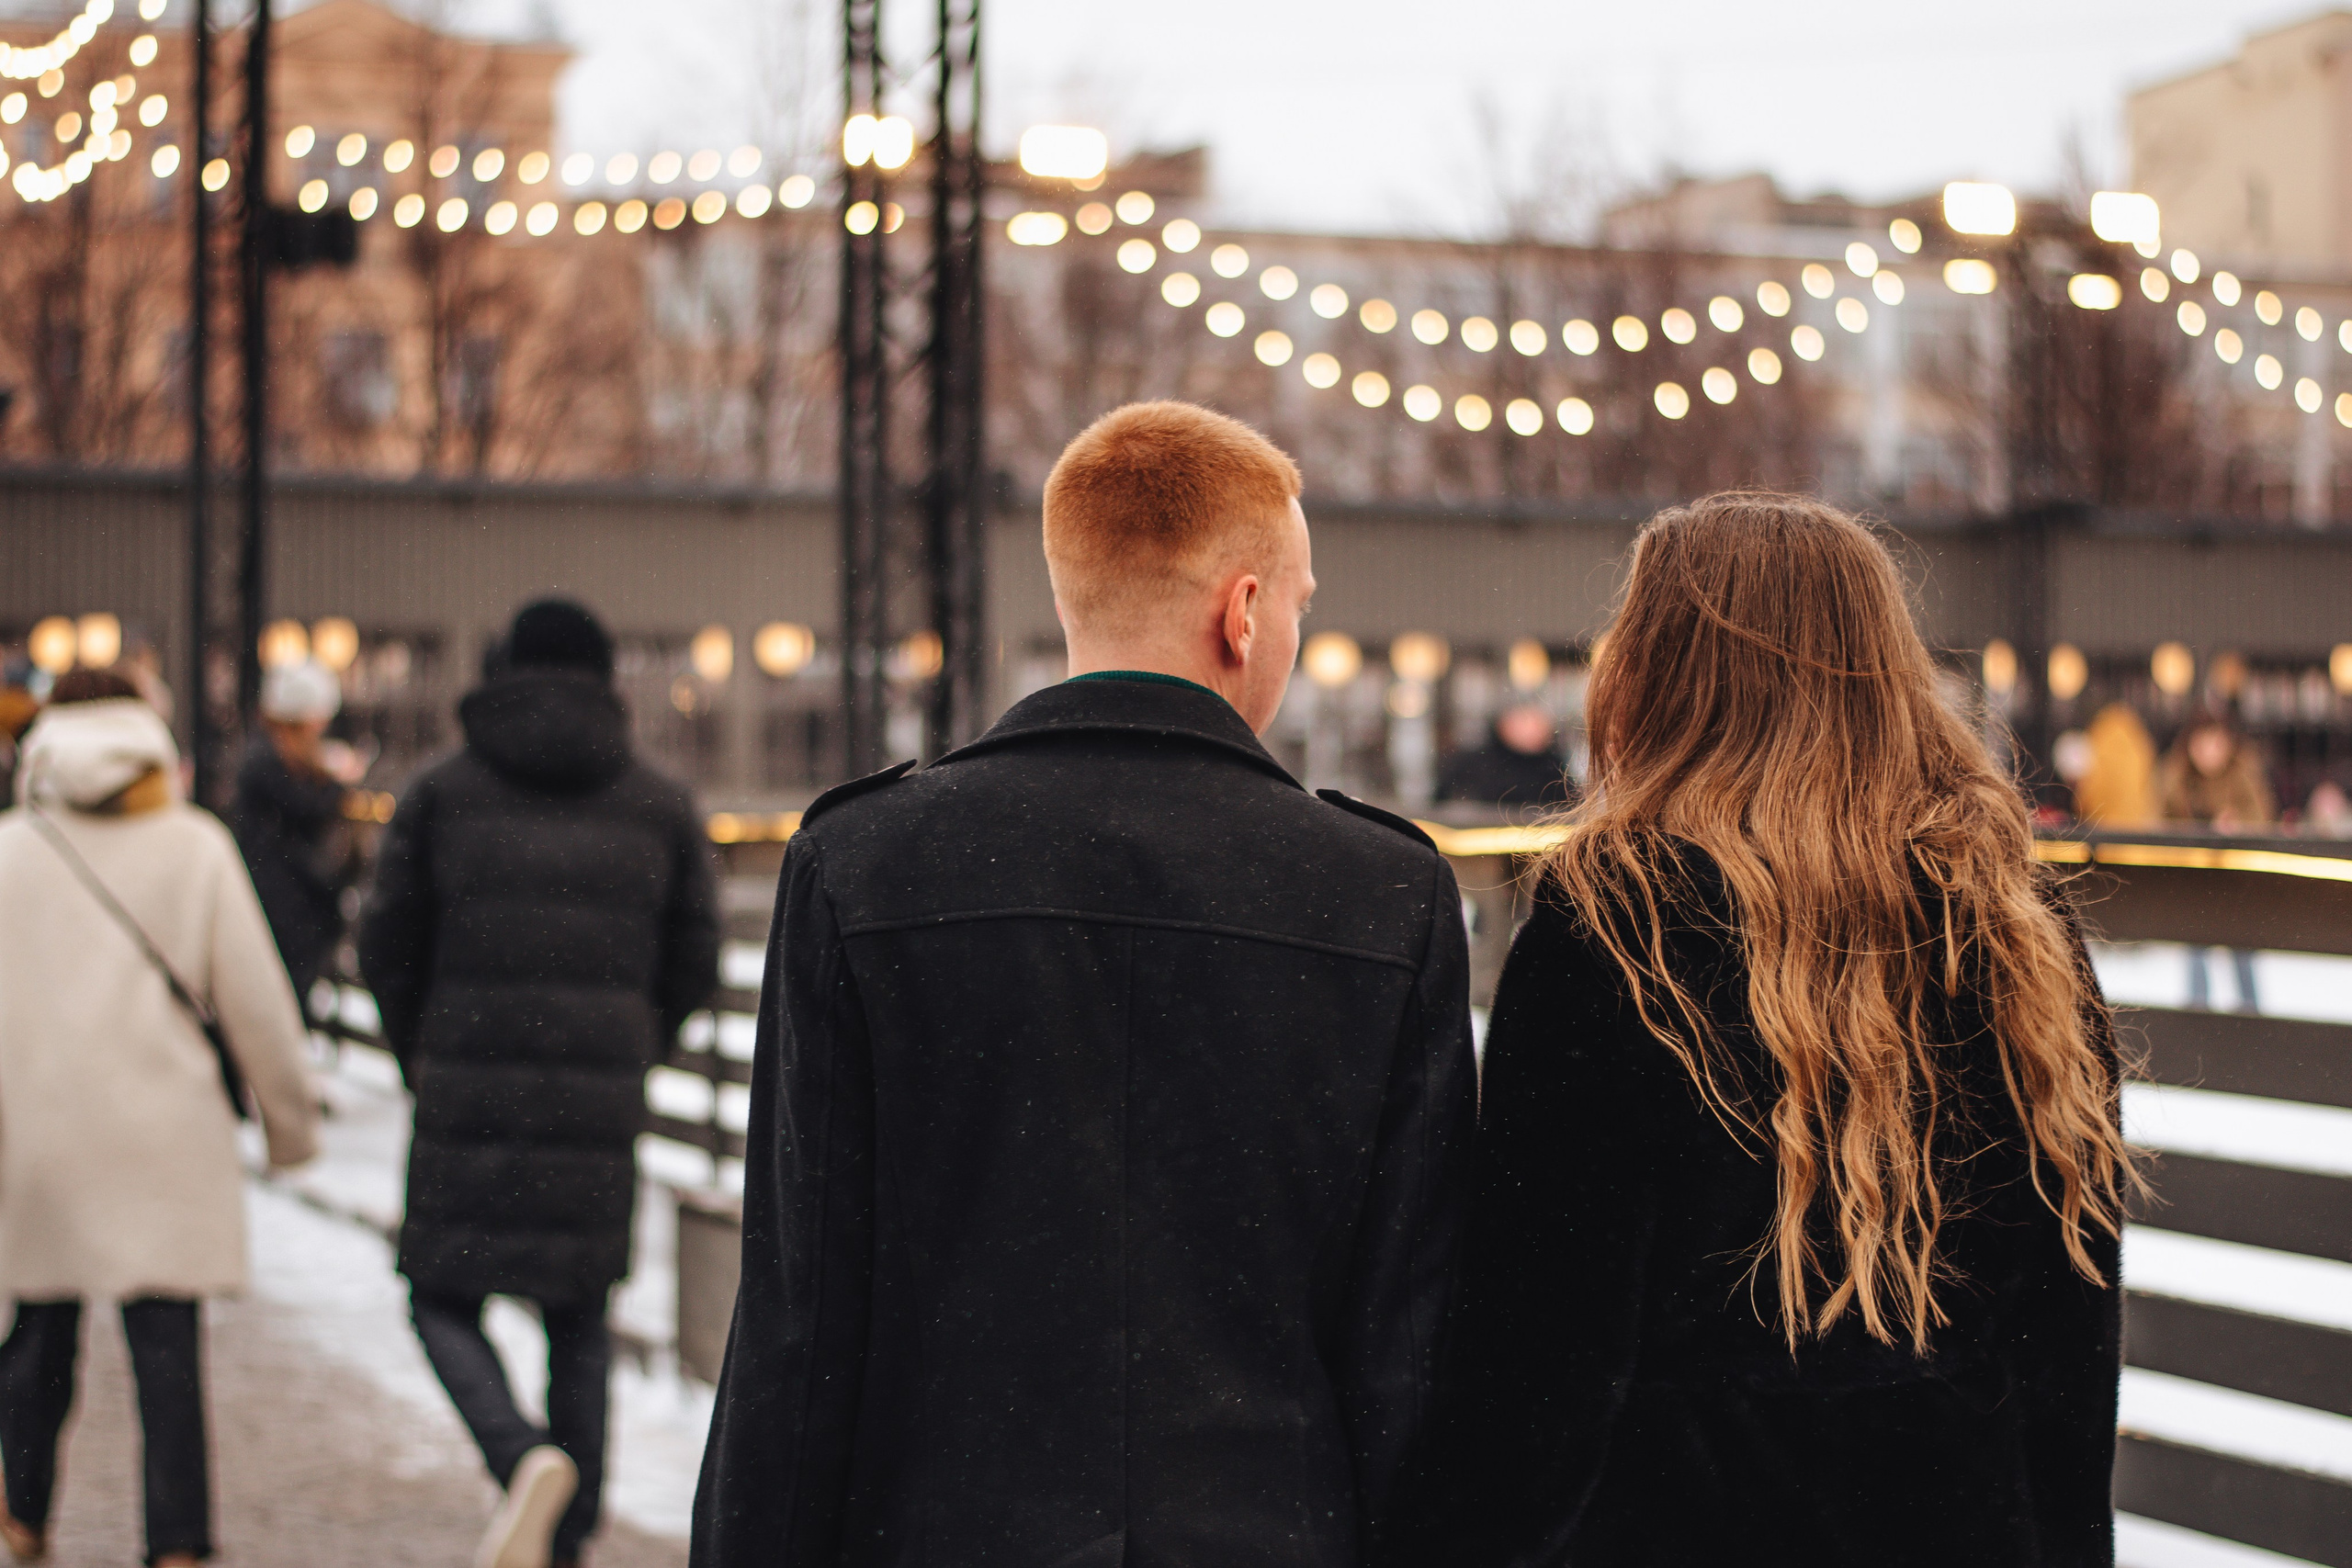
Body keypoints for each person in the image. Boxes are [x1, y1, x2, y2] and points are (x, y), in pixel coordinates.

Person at [692, 401, 1477, 1568]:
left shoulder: (864, 866)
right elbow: (1403, 1348)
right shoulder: (1381, 896)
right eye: (1299, 604)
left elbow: (798, 1324)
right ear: (1242, 609)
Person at [1390, 493, 2134, 1568]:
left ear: (1659, 672)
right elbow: (2071, 1330)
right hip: (1962, 1523)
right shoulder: (2014, 921)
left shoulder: (1617, 919)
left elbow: (1546, 1344)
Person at [359, 598, 718, 1568]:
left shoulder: (439, 793)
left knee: (438, 1297)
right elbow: (695, 958)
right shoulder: (658, 802)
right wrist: (631, 1050)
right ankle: (566, 1538)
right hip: (593, 1105)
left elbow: (385, 944)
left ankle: (520, 1459)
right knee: (579, 1318)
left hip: (464, 1095)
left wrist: (421, 1054)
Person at [0, 669, 319, 1566]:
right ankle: (177, 1544)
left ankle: (24, 1517)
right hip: (165, 1138)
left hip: (44, 1138)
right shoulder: (195, 847)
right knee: (168, 1356)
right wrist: (290, 1131)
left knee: (37, 1341)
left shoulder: (11, 851)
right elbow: (257, 1005)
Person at [231, 658, 365, 1003]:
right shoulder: (265, 768)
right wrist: (338, 784)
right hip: (284, 916)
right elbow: (307, 809)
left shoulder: (265, 763)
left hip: (290, 913)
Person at [2159, 711, 2274, 1010]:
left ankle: (2251, 1019)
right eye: (2203, 743)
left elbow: (2261, 817)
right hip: (2195, 882)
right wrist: (2196, 834)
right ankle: (2198, 1016)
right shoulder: (2177, 777)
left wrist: (2236, 828)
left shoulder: (2243, 774)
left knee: (2242, 952)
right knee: (2197, 953)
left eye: (2216, 742)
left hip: (2237, 882)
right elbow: (2162, 822)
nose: (2210, 751)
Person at [1435, 700, 1574, 813]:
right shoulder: (1477, 762)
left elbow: (1569, 804)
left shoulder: (1553, 766)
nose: (1531, 730)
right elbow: (1446, 800)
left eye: (1537, 724)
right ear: (1503, 725)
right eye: (1524, 722)